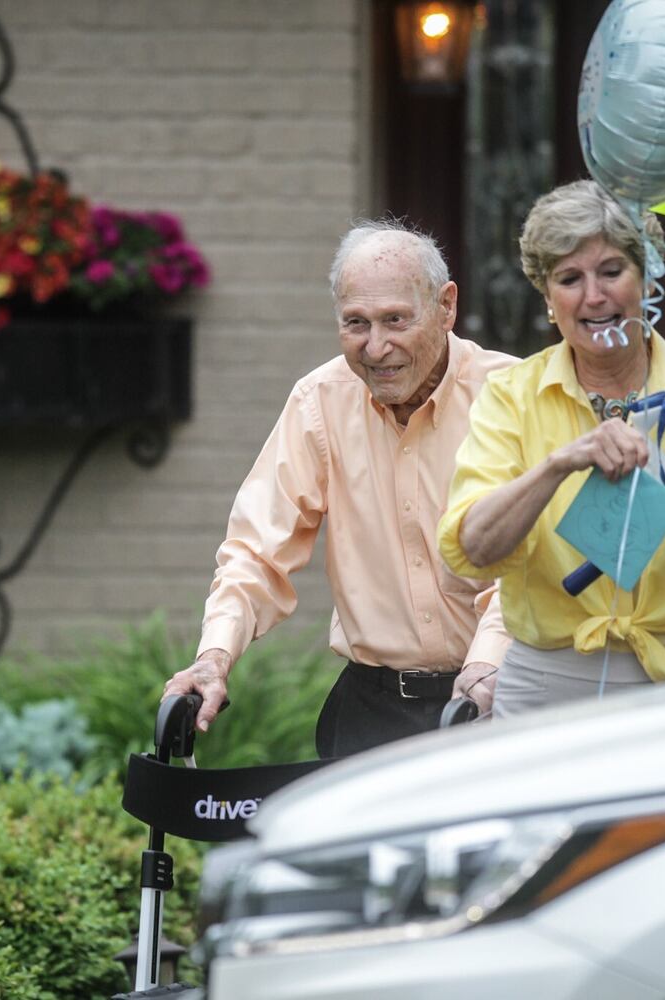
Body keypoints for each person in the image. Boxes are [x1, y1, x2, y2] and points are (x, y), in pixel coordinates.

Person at [162, 221, 517, 757]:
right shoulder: (319, 401)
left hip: (500, 698)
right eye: (356, 323)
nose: (377, 347)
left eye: (396, 319)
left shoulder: (510, 396)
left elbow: (527, 568)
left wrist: (488, 659)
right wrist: (214, 656)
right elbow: (256, 552)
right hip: (370, 708)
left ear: (446, 307)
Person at [437, 181, 665, 716]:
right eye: (569, 279)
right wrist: (560, 463)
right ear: (548, 297)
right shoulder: (512, 396)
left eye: (611, 271)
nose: (594, 297)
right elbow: (477, 550)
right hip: (548, 691)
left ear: (646, 278)